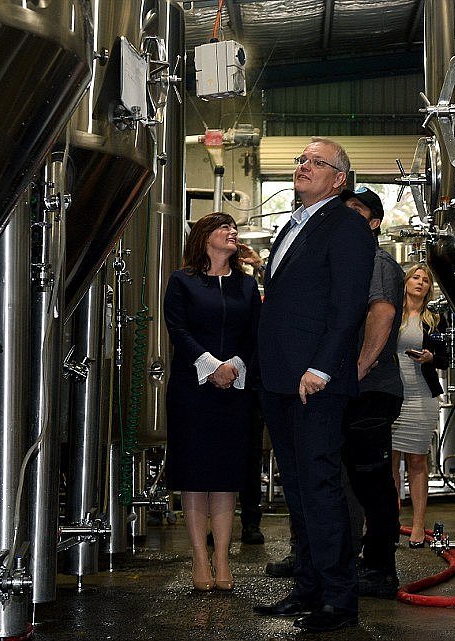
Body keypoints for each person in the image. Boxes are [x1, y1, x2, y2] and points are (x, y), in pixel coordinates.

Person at [253, 137, 374, 633]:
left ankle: (339, 600)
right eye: (300, 160)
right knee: (299, 489)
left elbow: (348, 306)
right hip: (279, 379)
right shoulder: (291, 225)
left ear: (339, 178)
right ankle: (308, 587)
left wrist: (322, 367)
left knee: (321, 487)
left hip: (314, 380)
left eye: (315, 162)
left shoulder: (346, 226)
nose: (302, 166)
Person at [163, 212, 261, 592]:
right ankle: (199, 557)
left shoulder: (246, 286)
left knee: (225, 477)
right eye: (224, 227)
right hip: (193, 388)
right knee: (195, 475)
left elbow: (254, 333)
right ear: (205, 237)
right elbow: (178, 329)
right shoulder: (182, 281)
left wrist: (234, 367)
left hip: (234, 390)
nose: (232, 232)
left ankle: (222, 556)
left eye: (234, 227)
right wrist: (211, 365)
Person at [339, 187, 405, 598]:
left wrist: (360, 367)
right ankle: (365, 561)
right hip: (355, 389)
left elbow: (382, 311)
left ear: (374, 222)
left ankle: (381, 569)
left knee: (373, 481)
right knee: (357, 479)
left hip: (373, 389)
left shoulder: (378, 260)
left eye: (357, 211)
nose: (348, 217)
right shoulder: (352, 261)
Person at [391, 264, 446, 548]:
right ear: (406, 281)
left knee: (416, 460)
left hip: (422, 394)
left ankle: (418, 526)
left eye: (426, 279)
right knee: (389, 460)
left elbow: (446, 358)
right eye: (416, 277)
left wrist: (430, 357)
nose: (420, 282)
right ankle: (387, 522)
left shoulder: (434, 320)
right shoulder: (390, 313)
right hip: (392, 394)